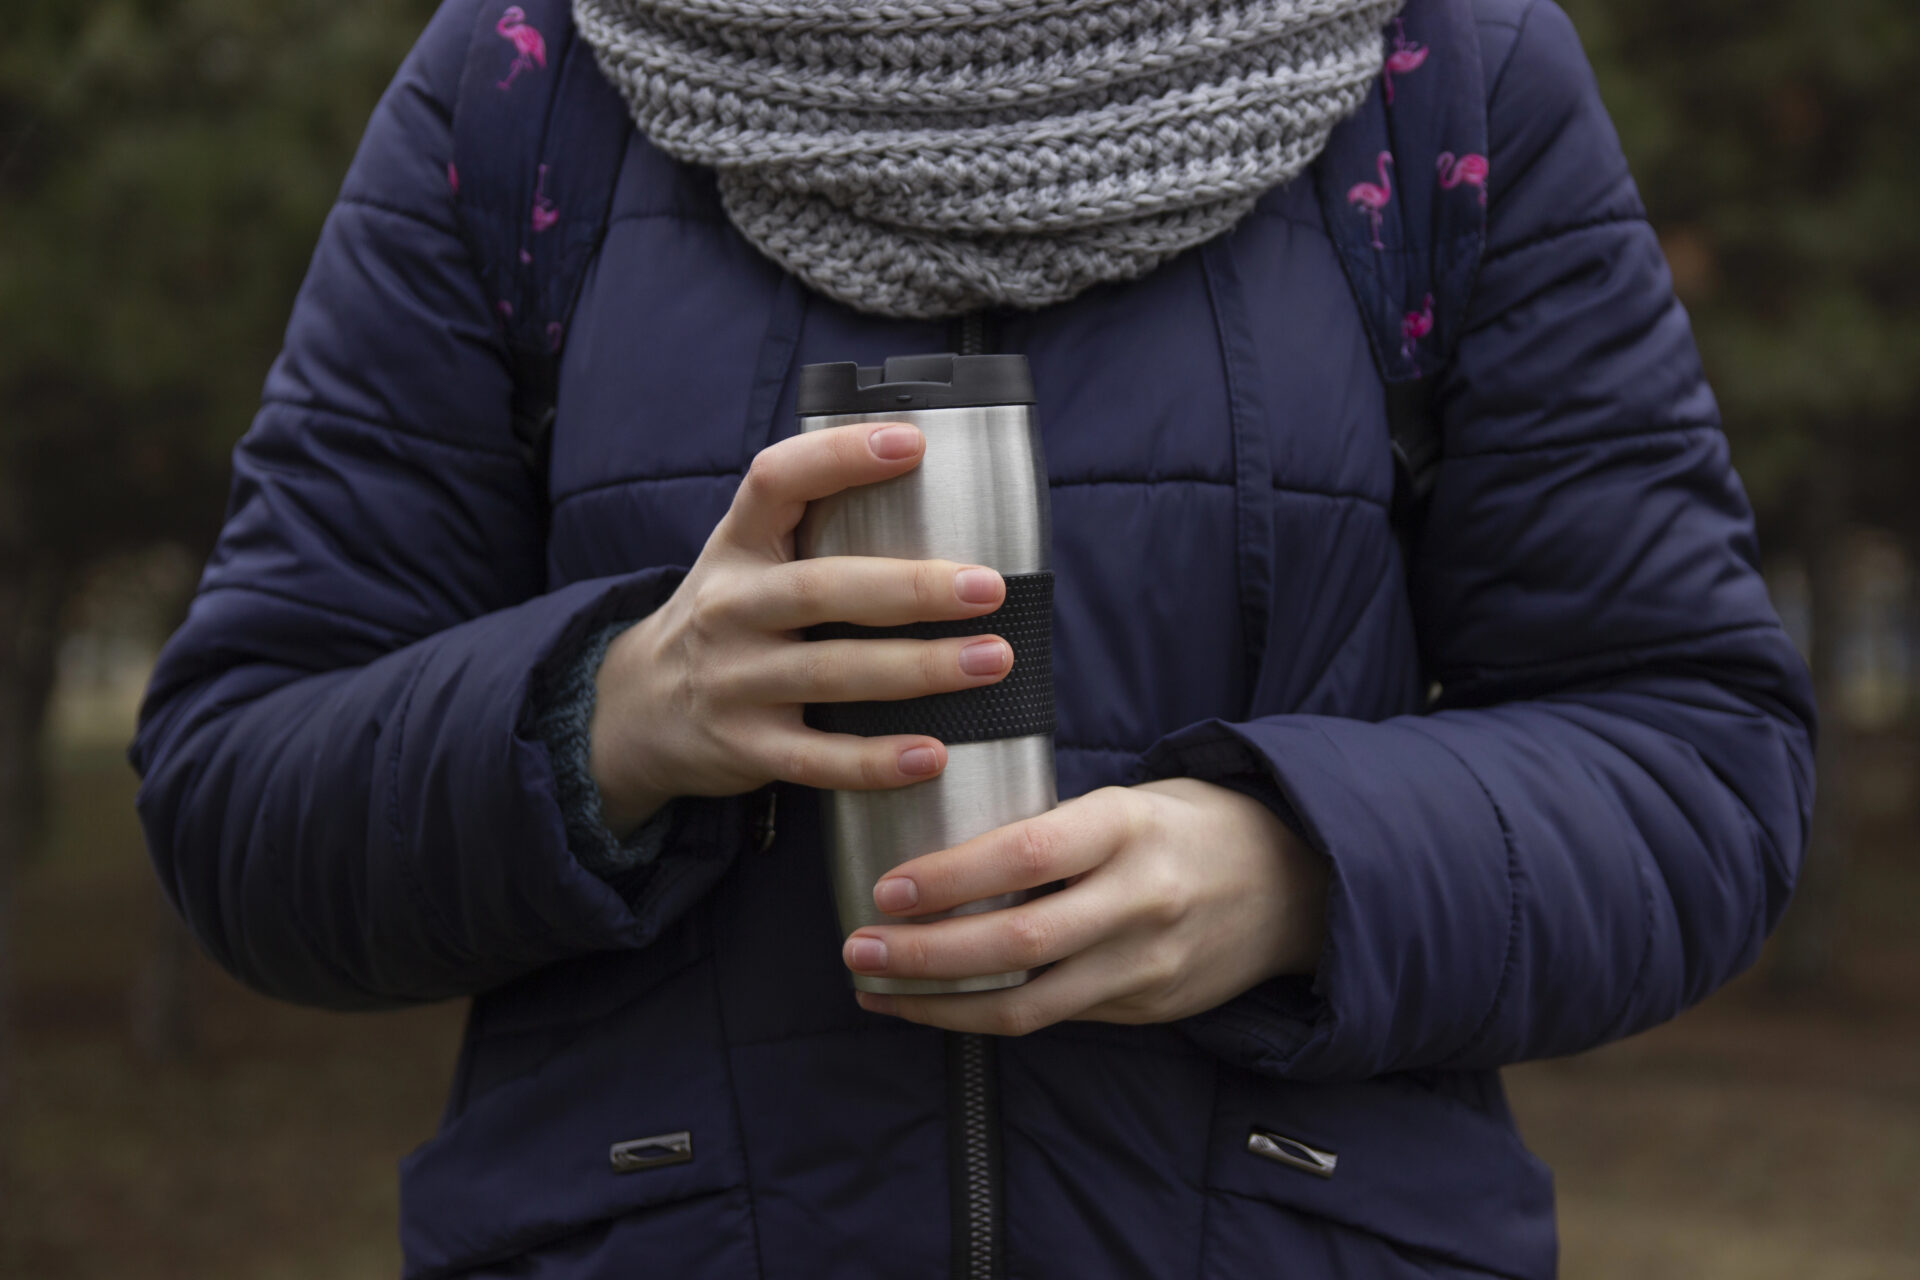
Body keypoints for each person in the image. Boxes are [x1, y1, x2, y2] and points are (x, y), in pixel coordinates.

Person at [131, 0, 1815, 1275]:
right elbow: (238, 786)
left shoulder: (1444, 75)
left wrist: (1302, 872)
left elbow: (1698, 759)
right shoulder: (525, 85)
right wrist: (611, 717)